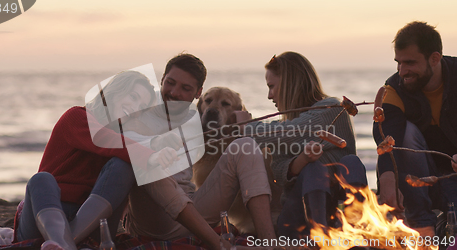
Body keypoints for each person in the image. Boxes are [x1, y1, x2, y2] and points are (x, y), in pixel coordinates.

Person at [124, 53, 276, 249]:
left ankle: (271, 243)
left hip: (193, 215)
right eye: (170, 83)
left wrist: (242, 125)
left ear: (198, 93)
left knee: (245, 145)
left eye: (186, 88)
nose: (174, 92)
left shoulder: (194, 120)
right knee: (148, 160)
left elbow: (233, 143)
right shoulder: (139, 112)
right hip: (153, 223)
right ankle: (222, 246)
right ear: (161, 79)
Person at [14, 71, 178, 250]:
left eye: (142, 106)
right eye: (133, 96)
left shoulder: (124, 142)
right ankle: (66, 244)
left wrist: (164, 147)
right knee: (41, 179)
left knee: (124, 166)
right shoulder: (76, 117)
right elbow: (103, 140)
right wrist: (149, 155)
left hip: (93, 226)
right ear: (115, 91)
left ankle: (65, 245)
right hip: (43, 219)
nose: (135, 107)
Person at [236, 51, 368, 239]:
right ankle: (319, 237)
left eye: (272, 87)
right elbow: (281, 173)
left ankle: (357, 226)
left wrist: (246, 127)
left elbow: (294, 131)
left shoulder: (332, 109)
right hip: (297, 220)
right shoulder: (284, 130)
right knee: (313, 168)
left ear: (290, 84)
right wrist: (303, 159)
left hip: (335, 211)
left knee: (351, 162)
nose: (269, 95)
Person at [373, 21, 457, 237]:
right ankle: (422, 228)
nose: (402, 71)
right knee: (406, 133)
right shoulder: (393, 90)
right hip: (420, 180)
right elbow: (385, 137)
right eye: (398, 63)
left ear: (435, 58)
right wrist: (387, 177)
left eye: (410, 63)